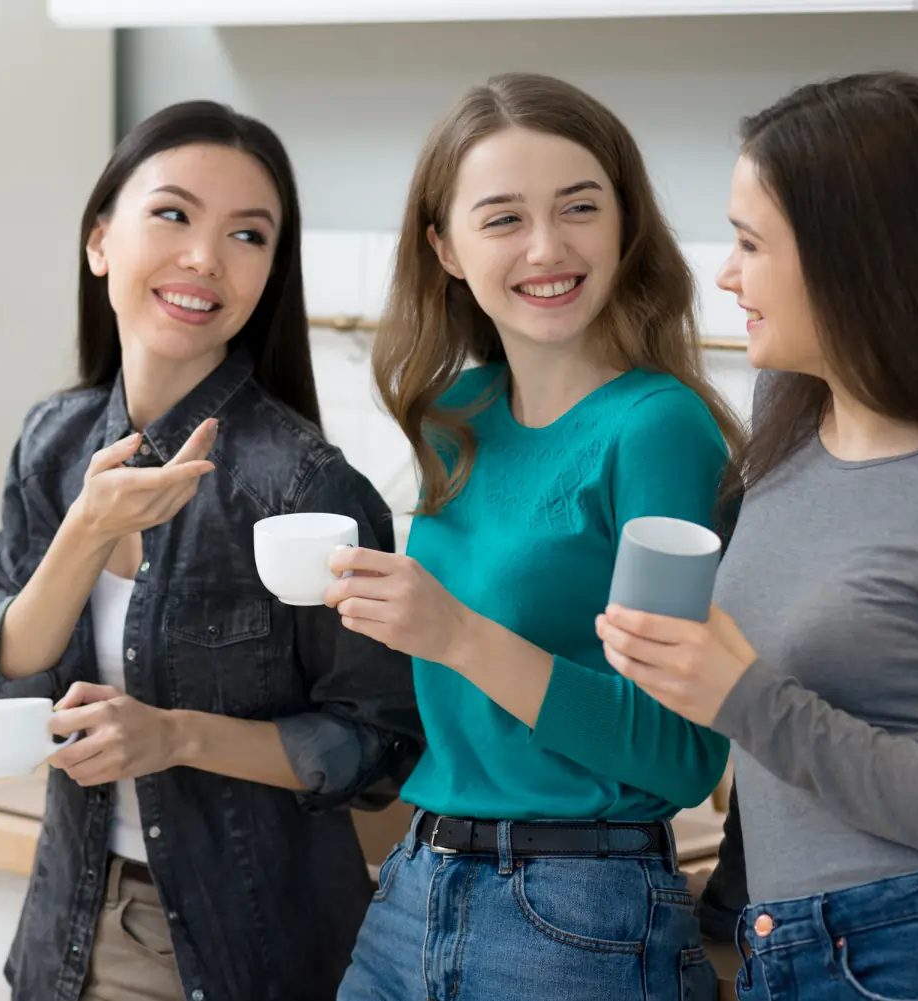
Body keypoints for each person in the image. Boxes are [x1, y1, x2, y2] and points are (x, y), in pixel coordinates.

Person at [596, 71, 918, 1001]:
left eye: (750, 243)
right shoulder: (788, 430)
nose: (726, 272)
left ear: (856, 259)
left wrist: (749, 698)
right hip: (788, 946)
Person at [0, 100, 423, 1001]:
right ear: (100, 239)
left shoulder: (305, 487)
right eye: (173, 214)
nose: (206, 257)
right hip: (62, 934)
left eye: (248, 234)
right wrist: (84, 531)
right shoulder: (53, 442)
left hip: (236, 951)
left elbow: (380, 746)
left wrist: (173, 737)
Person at [324, 71, 743, 1001]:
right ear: (446, 247)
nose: (548, 247)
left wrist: (460, 637)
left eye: (579, 207)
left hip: (579, 912)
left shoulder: (656, 430)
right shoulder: (455, 417)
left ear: (625, 222)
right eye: (503, 217)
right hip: (416, 884)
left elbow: (684, 752)